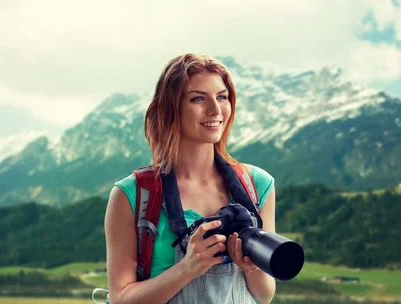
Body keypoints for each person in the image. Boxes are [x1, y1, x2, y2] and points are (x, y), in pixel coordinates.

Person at [104, 53, 277, 304]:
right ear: (170, 108)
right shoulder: (133, 194)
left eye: (222, 97)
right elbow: (120, 298)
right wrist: (187, 268)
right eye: (198, 98)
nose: (215, 110)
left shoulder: (257, 185)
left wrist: (251, 266)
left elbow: (264, 295)